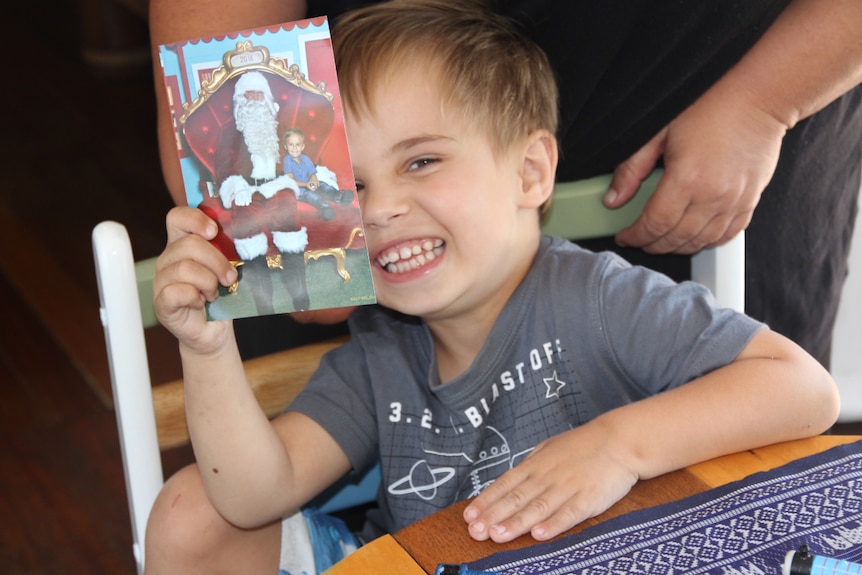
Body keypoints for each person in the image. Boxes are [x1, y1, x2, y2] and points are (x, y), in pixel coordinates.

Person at [145, 2, 841, 573]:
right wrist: (207, 346)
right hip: (420, 559)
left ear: (530, 172)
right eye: (350, 187)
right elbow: (251, 494)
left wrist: (617, 444)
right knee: (187, 514)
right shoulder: (376, 355)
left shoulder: (596, 299)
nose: (381, 207)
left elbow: (804, 391)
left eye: (421, 160)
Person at [150, 0, 862, 370]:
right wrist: (296, 249)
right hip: (346, 248)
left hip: (714, 148)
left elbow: (782, 395)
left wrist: (765, 102)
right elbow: (246, 496)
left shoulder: (657, 320)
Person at [201, 70, 311, 316]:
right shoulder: (230, 131)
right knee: (246, 225)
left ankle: (300, 295)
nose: (252, 98)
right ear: (240, 99)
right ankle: (264, 304)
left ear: (266, 96)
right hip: (246, 188)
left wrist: (289, 180)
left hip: (278, 184)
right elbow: (223, 169)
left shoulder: (281, 125)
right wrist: (237, 186)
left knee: (287, 216)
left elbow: (296, 158)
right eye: (247, 94)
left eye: (257, 93)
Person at [282, 127, 353, 220]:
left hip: (310, 184)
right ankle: (324, 209)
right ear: (286, 147)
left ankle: (339, 196)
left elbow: (312, 172)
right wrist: (305, 185)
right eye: (291, 145)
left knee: (324, 186)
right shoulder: (287, 161)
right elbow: (291, 180)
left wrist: (314, 180)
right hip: (299, 190)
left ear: (302, 146)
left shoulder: (305, 158)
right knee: (311, 197)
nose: (294, 148)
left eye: (297, 145)